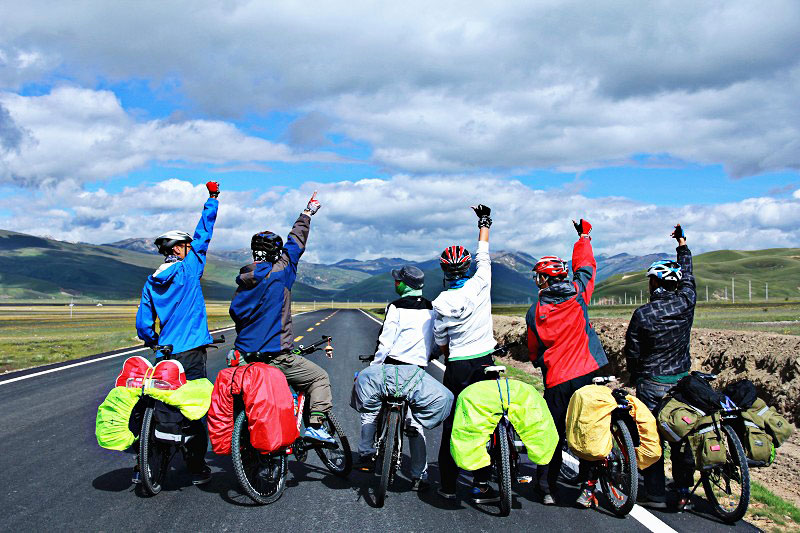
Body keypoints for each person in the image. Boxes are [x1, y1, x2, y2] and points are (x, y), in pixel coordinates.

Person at [228, 192, 335, 443]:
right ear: (276, 253)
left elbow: (236, 314)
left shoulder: (243, 281)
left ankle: (242, 441)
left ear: (254, 253)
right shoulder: (281, 272)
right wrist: (307, 212)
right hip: (276, 357)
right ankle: (315, 424)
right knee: (319, 378)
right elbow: (295, 243)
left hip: (244, 358)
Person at [135, 180, 221, 485]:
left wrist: (153, 341)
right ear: (179, 249)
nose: (190, 248)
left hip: (165, 353)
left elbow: (144, 322)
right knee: (195, 406)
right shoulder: (188, 268)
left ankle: (147, 458)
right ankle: (196, 467)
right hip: (191, 352)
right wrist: (212, 198)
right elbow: (204, 234)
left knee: (164, 401)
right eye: (186, 246)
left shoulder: (150, 281)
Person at [526, 218, 609, 507]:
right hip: (588, 374)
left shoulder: (536, 310)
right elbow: (587, 267)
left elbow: (534, 349)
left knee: (554, 434)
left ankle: (546, 488)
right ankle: (588, 488)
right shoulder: (578, 293)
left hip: (558, 379)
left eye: (539, 277)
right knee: (588, 430)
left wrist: (538, 360)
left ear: (545, 280)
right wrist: (584, 236)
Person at [625, 224, 696, 510]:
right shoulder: (686, 302)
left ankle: (654, 490)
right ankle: (681, 490)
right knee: (682, 435)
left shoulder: (643, 314)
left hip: (652, 382)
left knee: (651, 436)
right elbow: (689, 276)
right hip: (681, 382)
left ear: (654, 283)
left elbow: (632, 350)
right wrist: (682, 244)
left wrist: (635, 373)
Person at [433, 204, 500, 504]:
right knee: (486, 421)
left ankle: (448, 485)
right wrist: (483, 222)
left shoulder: (441, 302)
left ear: (446, 271)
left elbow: (441, 343)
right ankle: (482, 484)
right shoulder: (481, 283)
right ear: (467, 267)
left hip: (457, 366)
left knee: (453, 424)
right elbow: (483, 253)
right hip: (485, 361)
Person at [356, 265, 436, 491]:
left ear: (404, 285)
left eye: (397, 281)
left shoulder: (395, 307)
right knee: (415, 423)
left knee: (370, 408)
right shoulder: (431, 307)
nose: (395, 283)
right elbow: (432, 339)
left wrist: (374, 365)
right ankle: (420, 474)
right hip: (417, 370)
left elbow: (385, 341)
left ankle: (366, 451)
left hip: (392, 367)